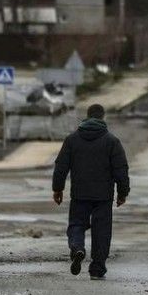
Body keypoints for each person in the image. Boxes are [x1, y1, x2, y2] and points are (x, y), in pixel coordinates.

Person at [52, 103, 130, 280]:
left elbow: (61, 167)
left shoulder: (72, 140)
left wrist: (58, 188)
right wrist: (123, 193)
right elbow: (121, 169)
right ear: (103, 118)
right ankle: (97, 268)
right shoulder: (112, 141)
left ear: (87, 117)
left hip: (80, 194)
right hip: (103, 196)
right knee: (102, 232)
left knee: (76, 225)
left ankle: (78, 248)